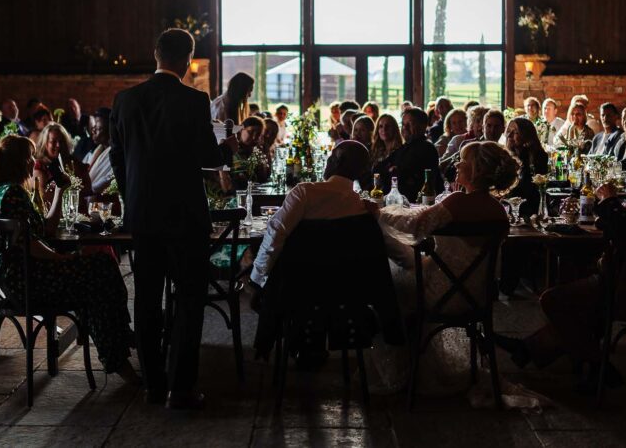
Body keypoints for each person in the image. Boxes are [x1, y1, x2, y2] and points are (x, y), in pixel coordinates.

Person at [497, 135, 626, 393]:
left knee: (554, 299)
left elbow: (622, 230)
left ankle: (600, 367)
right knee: (583, 307)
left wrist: (608, 199)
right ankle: (529, 349)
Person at [110, 28, 238, 410]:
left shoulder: (125, 100)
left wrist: (131, 194)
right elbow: (207, 157)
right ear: (188, 61)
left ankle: (152, 383)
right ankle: (179, 388)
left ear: (155, 54)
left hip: (142, 215)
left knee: (146, 299)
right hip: (184, 216)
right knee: (188, 299)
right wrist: (224, 149)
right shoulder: (193, 100)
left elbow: (117, 156)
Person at [0, 135, 135, 380]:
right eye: (29, 158)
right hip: (30, 283)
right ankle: (118, 343)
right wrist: (63, 260)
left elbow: (46, 230)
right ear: (18, 162)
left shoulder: (1, 193)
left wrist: (61, 191)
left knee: (98, 274)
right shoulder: (12, 194)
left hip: (19, 281)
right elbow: (30, 245)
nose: (33, 162)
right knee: (100, 270)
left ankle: (117, 341)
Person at [368, 141, 518, 394]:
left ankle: (400, 370)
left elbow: (414, 226)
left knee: (384, 285)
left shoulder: (459, 201)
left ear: (477, 170)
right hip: (476, 295)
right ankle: (417, 363)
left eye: (463, 161)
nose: (457, 164)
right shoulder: (497, 210)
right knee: (401, 276)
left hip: (441, 294)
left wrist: (378, 214)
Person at [251, 141, 373, 287]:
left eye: (330, 156)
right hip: (344, 284)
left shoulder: (304, 193)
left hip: (297, 283)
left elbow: (276, 232)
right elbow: (385, 240)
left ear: (336, 161)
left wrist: (256, 279)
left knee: (248, 254)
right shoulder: (362, 206)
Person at [373, 108, 442, 200]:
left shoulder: (427, 148)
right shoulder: (405, 147)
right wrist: (391, 170)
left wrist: (393, 171)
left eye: (410, 124)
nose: (405, 128)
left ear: (422, 126)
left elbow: (404, 175)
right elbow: (377, 169)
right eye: (403, 124)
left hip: (416, 202)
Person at [503, 117, 548, 218]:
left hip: (530, 210)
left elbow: (532, 188)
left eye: (515, 132)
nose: (509, 135)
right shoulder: (505, 156)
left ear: (526, 135)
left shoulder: (538, 156)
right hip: (508, 208)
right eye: (508, 131)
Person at [33, 122, 74, 203]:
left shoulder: (71, 163)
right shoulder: (39, 167)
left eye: (61, 141)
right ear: (45, 143)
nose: (58, 145)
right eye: (53, 141)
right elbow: (43, 199)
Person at [83, 108, 113, 194]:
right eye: (93, 127)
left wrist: (89, 190)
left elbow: (109, 178)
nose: (93, 131)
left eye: (98, 128)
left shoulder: (115, 155)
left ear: (109, 129)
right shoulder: (94, 152)